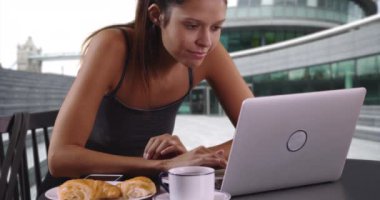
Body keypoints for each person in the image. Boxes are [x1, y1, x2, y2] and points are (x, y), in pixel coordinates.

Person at [38, 0, 253, 197]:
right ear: (156, 15)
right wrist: (164, 165)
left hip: (143, 191)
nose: (206, 41)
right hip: (76, 191)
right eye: (191, 25)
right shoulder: (112, 46)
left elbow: (257, 133)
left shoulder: (209, 54)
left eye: (216, 27)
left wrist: (195, 158)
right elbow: (60, 158)